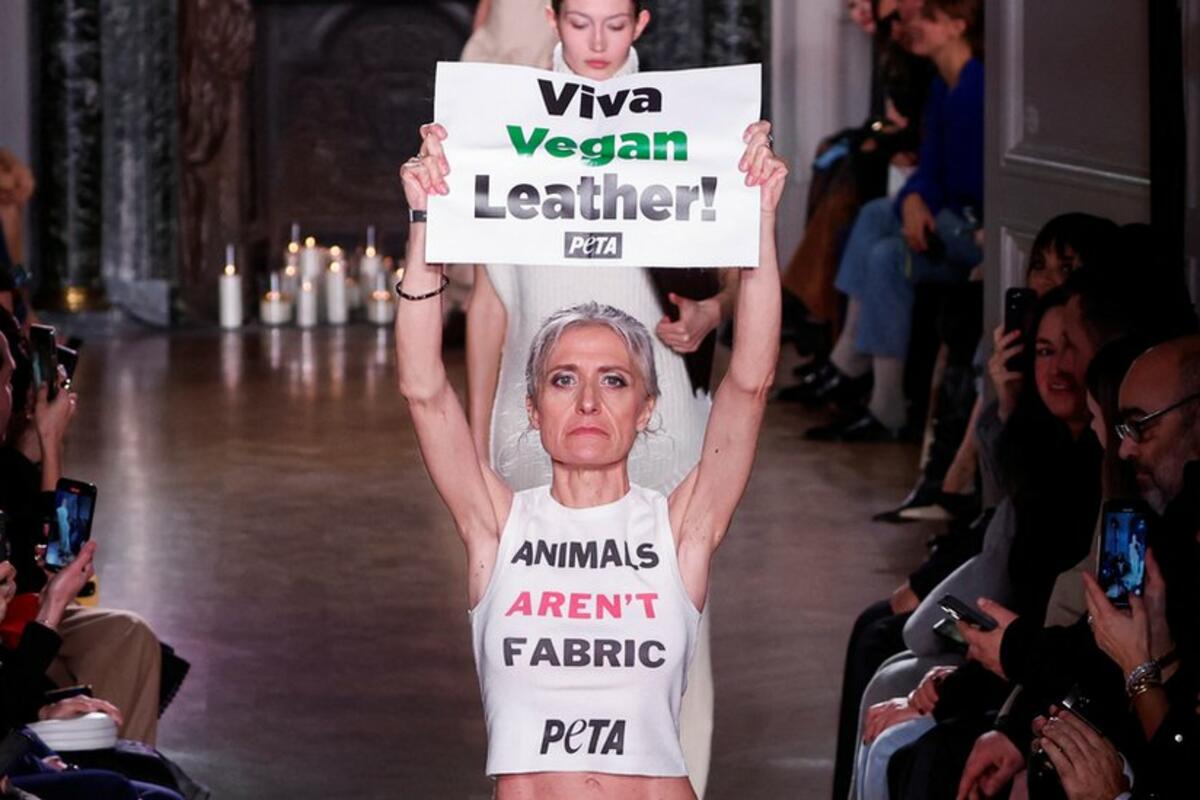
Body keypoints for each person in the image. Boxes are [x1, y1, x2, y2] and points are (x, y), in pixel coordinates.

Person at [397, 108, 785, 798]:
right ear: (532, 408)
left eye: (613, 381)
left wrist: (758, 220)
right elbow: (424, 388)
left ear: (646, 409)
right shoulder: (497, 527)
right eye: (562, 380)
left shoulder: (680, 531)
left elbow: (750, 384)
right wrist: (425, 220)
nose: (587, 402)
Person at [464, 2, 736, 792]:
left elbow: (732, 278)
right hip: (533, 419)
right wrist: (477, 443)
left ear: (642, 23)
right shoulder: (509, 127)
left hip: (663, 414)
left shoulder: (684, 126)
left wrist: (710, 314)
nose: (596, 42)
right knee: (537, 629)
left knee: (669, 625)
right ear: (552, 17)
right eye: (580, 21)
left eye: (614, 23)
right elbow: (490, 302)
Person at [802, 0, 984, 441]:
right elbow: (930, 168)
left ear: (958, 26)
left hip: (974, 228)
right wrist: (913, 200)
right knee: (874, 214)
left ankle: (877, 397)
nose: (913, 26)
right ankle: (850, 361)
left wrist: (923, 202)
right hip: (948, 213)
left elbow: (972, 184)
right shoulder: (942, 84)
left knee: (886, 256)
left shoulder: (978, 87)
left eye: (928, 19)